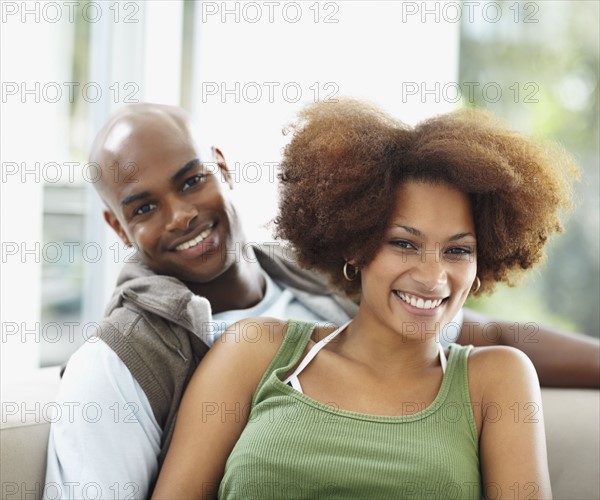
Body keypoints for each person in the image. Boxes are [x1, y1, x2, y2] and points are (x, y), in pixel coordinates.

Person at [44, 103, 597, 500]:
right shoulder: (211, 352)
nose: (432, 274)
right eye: (403, 243)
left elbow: (490, 333)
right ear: (356, 248)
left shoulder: (486, 372)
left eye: (458, 250)